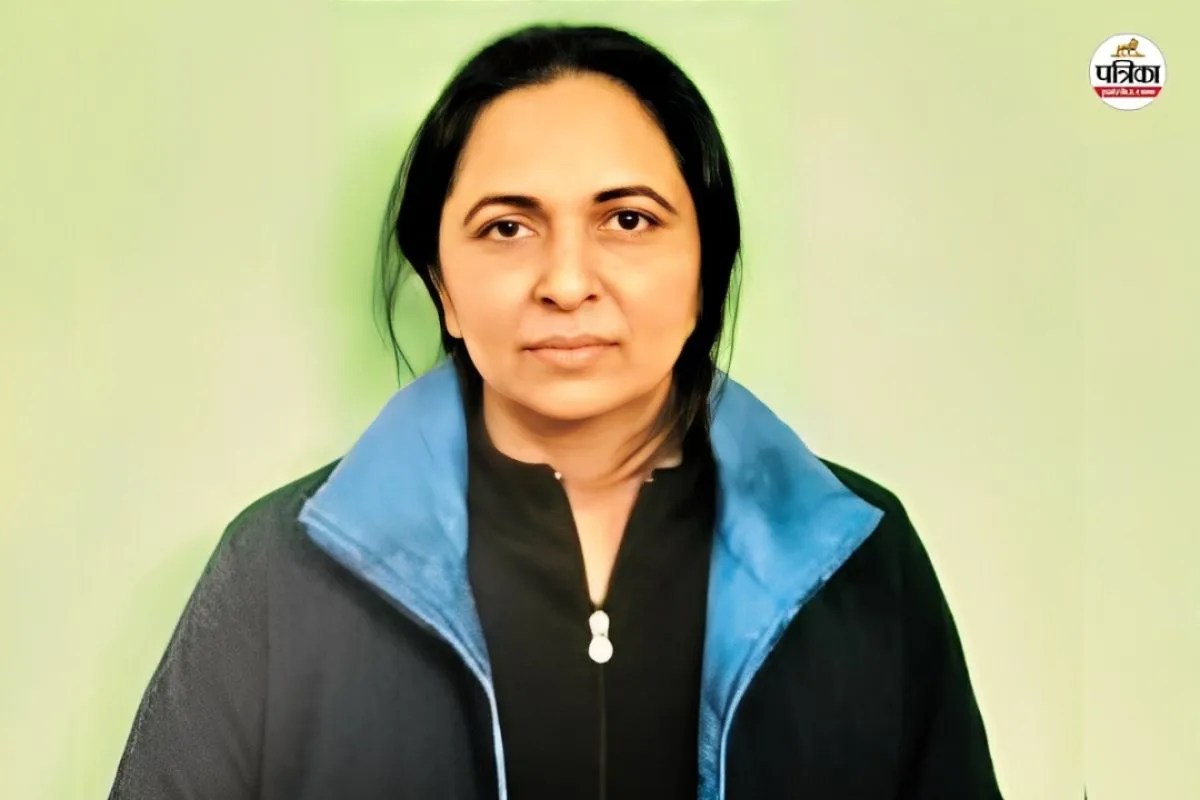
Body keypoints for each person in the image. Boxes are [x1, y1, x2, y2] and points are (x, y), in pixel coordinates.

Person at [108, 22, 1003, 800]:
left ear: (706, 270)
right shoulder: (280, 571)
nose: (567, 283)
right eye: (508, 227)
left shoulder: (858, 558)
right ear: (443, 287)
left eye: (628, 220)